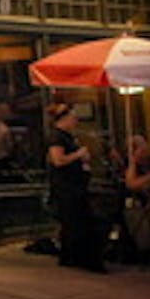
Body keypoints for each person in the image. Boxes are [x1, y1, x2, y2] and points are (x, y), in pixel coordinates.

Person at [45, 102, 105, 273]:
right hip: (67, 188)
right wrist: (78, 154)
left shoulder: (68, 136)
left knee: (74, 223)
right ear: (64, 119)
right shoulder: (57, 137)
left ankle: (72, 256)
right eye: (73, 117)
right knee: (75, 221)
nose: (76, 120)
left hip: (75, 185)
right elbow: (58, 160)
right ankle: (77, 257)